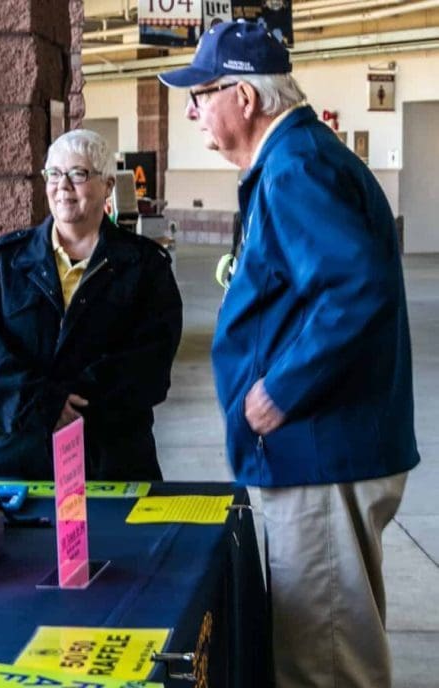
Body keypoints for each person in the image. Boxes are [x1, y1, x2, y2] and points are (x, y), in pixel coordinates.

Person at [159, 21, 419, 688]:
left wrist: (280, 389)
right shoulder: (292, 162)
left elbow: (354, 287)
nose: (192, 111)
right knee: (322, 641)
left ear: (244, 97)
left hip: (319, 453)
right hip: (314, 454)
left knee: (323, 660)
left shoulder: (296, 166)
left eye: (202, 94)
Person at [0, 129, 183, 480]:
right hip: (16, 460)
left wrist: (75, 404)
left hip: (110, 459)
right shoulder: (3, 264)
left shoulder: (145, 268)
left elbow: (151, 363)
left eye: (79, 174)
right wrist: (44, 406)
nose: (63, 186)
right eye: (54, 174)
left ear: (108, 185)